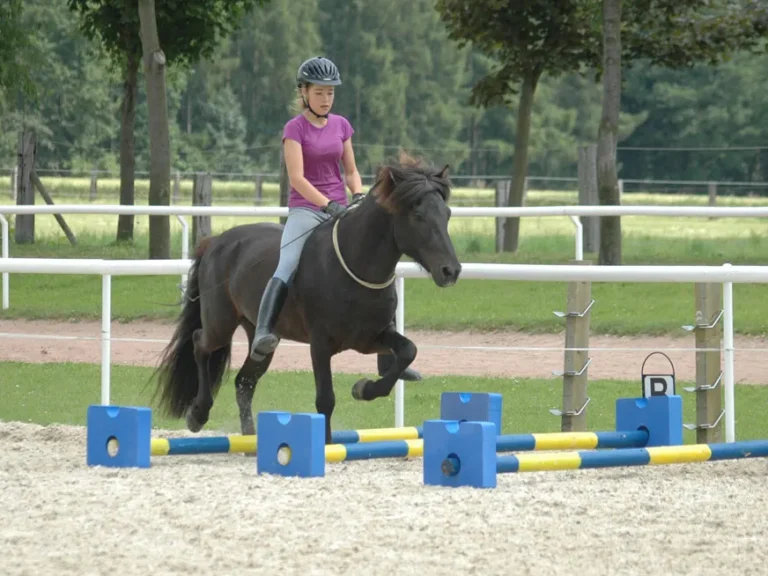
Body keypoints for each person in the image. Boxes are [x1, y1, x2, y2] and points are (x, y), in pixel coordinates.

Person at [249, 56, 421, 381]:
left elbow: (352, 170)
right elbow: (297, 178)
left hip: (342, 207)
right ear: (303, 93)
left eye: (330, 93)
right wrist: (327, 204)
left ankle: (390, 360)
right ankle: (262, 331)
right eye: (319, 92)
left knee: (376, 265)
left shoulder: (341, 125)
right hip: (307, 209)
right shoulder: (293, 130)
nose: (326, 99)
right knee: (287, 263)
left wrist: (357, 195)